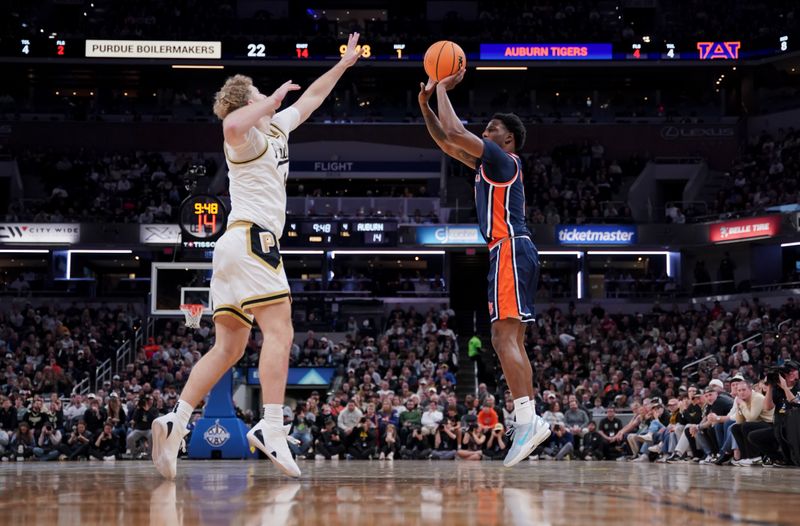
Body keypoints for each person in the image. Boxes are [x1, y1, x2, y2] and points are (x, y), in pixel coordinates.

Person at [151, 33, 363, 480]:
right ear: (247, 102)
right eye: (260, 95)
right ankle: (270, 425)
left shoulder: (277, 127)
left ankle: (176, 421)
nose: (269, 98)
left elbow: (314, 97)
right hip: (252, 241)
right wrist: (265, 104)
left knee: (228, 347)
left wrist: (343, 65)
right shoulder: (244, 137)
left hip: (231, 247)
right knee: (280, 332)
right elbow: (228, 125)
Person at [418, 68, 549, 468]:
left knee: (502, 336)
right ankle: (528, 419)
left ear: (505, 138)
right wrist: (426, 105)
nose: (484, 133)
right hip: (512, 249)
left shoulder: (503, 158)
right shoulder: (487, 166)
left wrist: (441, 87)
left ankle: (528, 420)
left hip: (508, 247)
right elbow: (445, 140)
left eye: (490, 129)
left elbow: (456, 132)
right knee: (509, 337)